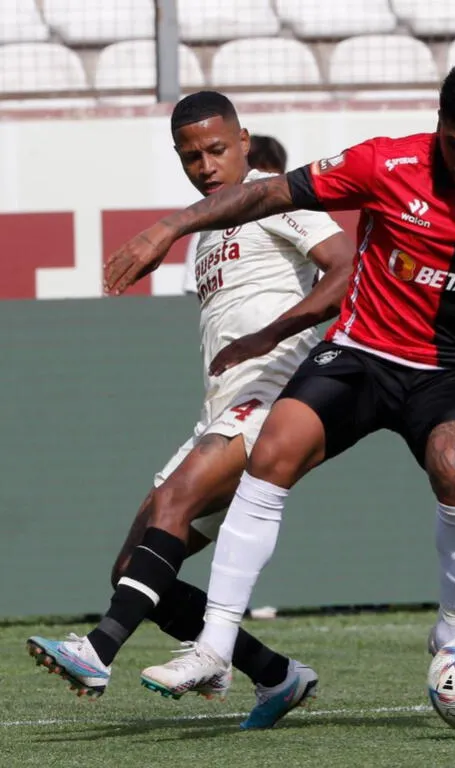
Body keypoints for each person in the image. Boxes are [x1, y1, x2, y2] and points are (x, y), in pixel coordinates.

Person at [103, 59, 455, 698]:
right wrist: (170, 225)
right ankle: (214, 645)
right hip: (363, 351)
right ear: (439, 126)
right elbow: (271, 191)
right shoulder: (383, 164)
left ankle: (454, 632)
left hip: (452, 368)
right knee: (272, 450)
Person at [26, 90, 353, 730]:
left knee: (172, 505)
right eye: (190, 156)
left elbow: (348, 268)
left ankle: (97, 652)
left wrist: (271, 336)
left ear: (244, 141)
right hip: (221, 413)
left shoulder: (279, 197)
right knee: (132, 565)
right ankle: (276, 675)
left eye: (216, 149)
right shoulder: (206, 229)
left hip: (273, 401)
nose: (205, 165)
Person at [183, 134, 288, 295]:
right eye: (255, 177)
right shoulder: (206, 228)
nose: (264, 185)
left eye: (272, 178)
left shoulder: (293, 210)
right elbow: (193, 294)